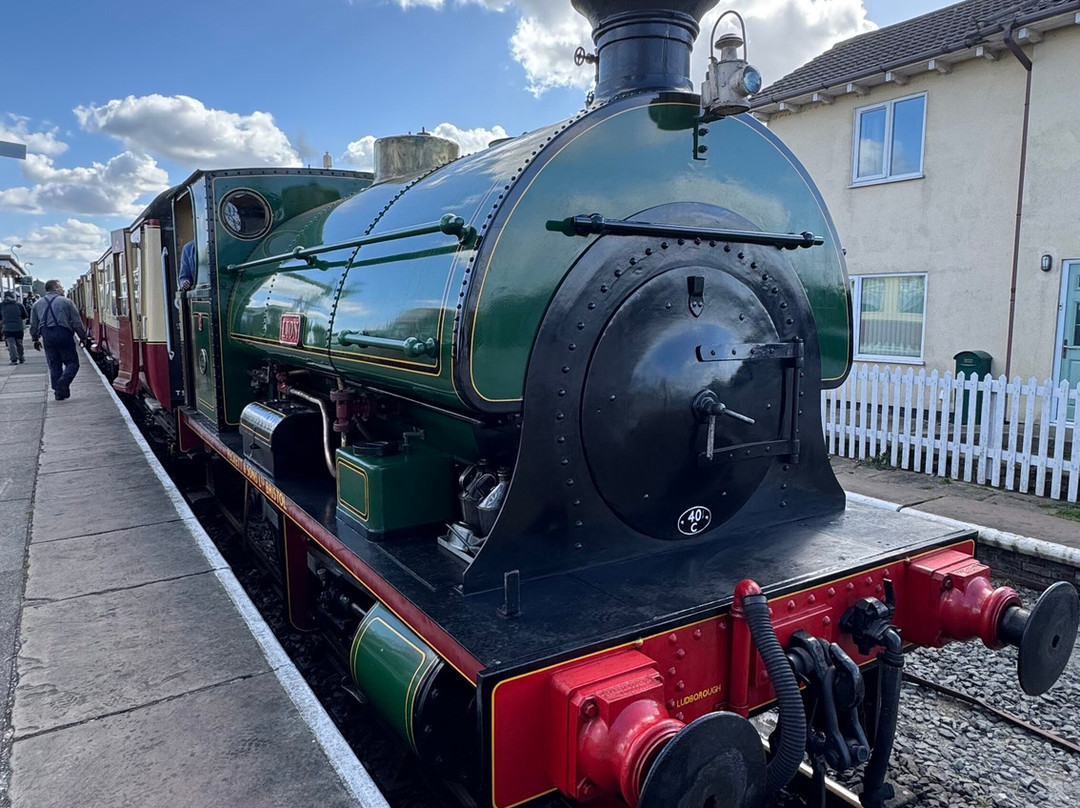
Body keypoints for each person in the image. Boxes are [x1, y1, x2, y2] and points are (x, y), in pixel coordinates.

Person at [29, 280, 89, 401]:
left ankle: (58, 392)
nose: (62, 288)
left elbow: (33, 325)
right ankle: (63, 382)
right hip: (64, 334)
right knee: (72, 363)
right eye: (60, 286)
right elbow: (76, 322)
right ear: (55, 287)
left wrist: (35, 339)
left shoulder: (37, 304)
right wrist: (83, 337)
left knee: (54, 364)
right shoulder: (66, 302)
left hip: (47, 336)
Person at [1, 290, 29, 365]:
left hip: (7, 327)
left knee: (11, 344)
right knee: (19, 343)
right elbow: (25, 316)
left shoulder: (1, 305)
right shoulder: (19, 305)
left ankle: (14, 359)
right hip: (18, 327)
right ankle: (21, 357)